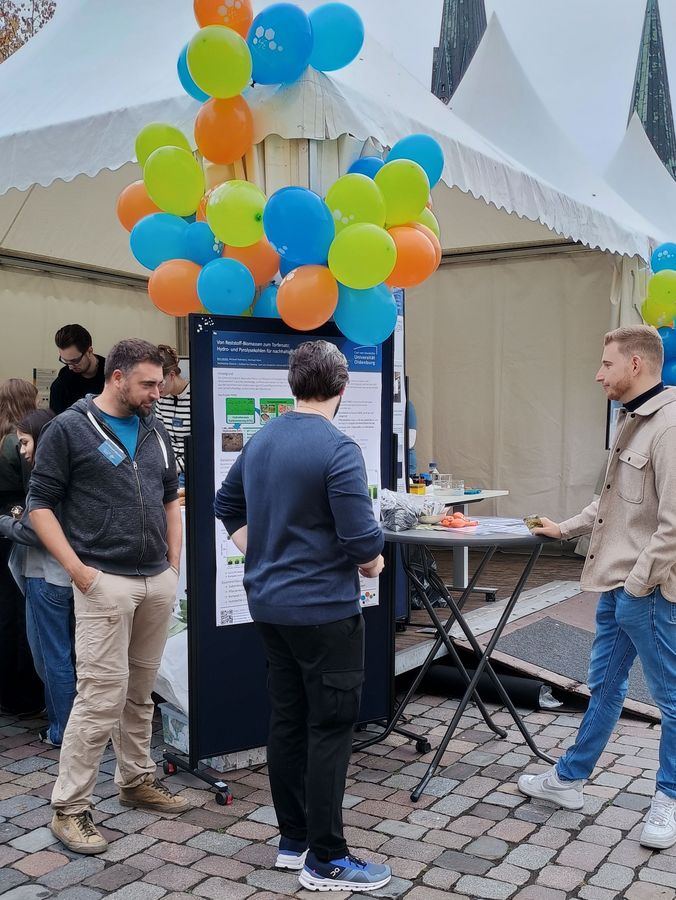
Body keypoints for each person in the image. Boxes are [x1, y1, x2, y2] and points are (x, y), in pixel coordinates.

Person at [214, 340, 391, 893]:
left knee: (288, 720)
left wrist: (262, 551)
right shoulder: (339, 448)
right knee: (330, 727)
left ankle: (293, 841)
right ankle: (327, 859)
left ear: (293, 384)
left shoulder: (263, 439)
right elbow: (362, 541)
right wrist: (374, 562)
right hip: (324, 612)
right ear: (343, 386)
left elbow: (226, 504)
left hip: (270, 607)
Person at [518, 324, 676, 850]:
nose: (598, 374)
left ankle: (668, 799)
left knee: (672, 700)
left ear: (636, 364)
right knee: (605, 686)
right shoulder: (633, 419)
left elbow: (673, 526)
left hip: (649, 592)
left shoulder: (670, 426)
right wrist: (563, 529)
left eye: (607, 363)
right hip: (619, 587)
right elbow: (611, 503)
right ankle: (568, 779)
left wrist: (637, 586)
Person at [29, 339, 189, 856]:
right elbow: (39, 505)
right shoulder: (69, 429)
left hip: (154, 579)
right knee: (100, 697)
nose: (157, 392)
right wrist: (79, 572)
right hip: (103, 582)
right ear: (117, 377)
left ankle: (136, 779)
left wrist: (172, 564)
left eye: (159, 383)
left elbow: (171, 496)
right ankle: (69, 807)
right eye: (148, 384)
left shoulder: (154, 427)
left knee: (140, 692)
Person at [0, 409, 75, 747]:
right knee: (64, 654)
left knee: (51, 657)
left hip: (46, 575)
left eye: (25, 442)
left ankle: (64, 730)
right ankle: (70, 725)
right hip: (65, 574)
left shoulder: (47, 474)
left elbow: (35, 531)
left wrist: (5, 523)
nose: (21, 450)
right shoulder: (71, 467)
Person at [0, 379, 44, 716]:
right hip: (15, 529)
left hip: (3, 528)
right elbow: (34, 494)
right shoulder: (20, 442)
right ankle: (23, 695)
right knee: (19, 614)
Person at [49, 324, 106, 414]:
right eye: (65, 361)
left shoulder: (112, 376)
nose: (70, 366)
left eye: (75, 361)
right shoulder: (61, 385)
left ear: (89, 351)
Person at [155, 345, 190, 478]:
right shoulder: (161, 399)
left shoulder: (196, 398)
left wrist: (172, 469)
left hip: (190, 469)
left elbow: (200, 447)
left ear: (172, 375)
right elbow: (159, 438)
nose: (157, 390)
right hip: (167, 467)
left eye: (160, 383)